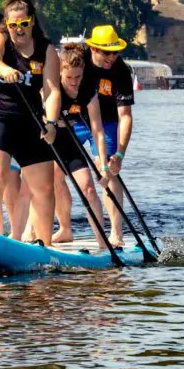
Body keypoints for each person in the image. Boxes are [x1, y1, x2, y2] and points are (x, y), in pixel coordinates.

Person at [0, 0, 60, 244]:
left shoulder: (46, 49)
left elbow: (53, 90)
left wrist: (52, 124)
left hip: (29, 118)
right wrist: (5, 70)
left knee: (44, 187)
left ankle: (44, 244)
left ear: (31, 22)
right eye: (13, 25)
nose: (18, 29)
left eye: (23, 24)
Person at [50, 47, 113, 248]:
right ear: (60, 71)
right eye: (69, 77)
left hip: (69, 139)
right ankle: (64, 229)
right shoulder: (51, 88)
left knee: (88, 188)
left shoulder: (88, 91)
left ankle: (103, 242)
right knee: (53, 180)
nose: (74, 82)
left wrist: (103, 164)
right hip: (48, 142)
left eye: (78, 76)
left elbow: (98, 131)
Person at [82, 25, 134, 246]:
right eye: (106, 52)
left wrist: (119, 156)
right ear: (93, 48)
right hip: (76, 117)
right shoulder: (80, 60)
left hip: (107, 120)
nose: (111, 57)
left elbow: (125, 116)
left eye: (115, 52)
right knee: (54, 171)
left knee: (107, 171)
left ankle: (116, 233)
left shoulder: (121, 71)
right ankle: (63, 229)